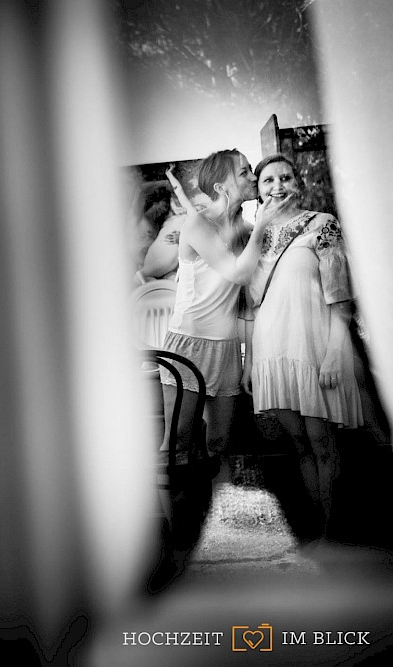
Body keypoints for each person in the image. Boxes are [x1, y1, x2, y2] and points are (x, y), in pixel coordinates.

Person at [149, 149, 286, 591]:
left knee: (222, 442)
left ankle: (221, 534)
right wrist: (263, 225)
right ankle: (169, 543)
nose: (252, 175)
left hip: (226, 350)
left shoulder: (239, 225)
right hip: (189, 346)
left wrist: (246, 359)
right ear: (224, 184)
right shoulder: (198, 224)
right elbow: (237, 273)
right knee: (177, 448)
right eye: (245, 171)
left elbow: (245, 304)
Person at [242, 153, 362, 540]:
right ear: (257, 192)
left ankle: (334, 532)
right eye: (267, 181)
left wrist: (333, 352)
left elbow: (341, 298)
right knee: (298, 445)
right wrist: (249, 364)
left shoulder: (321, 225)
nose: (278, 186)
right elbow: (251, 304)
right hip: (271, 354)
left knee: (322, 443)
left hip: (312, 351)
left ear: (299, 183)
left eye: (286, 177)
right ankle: (316, 526)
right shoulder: (254, 238)